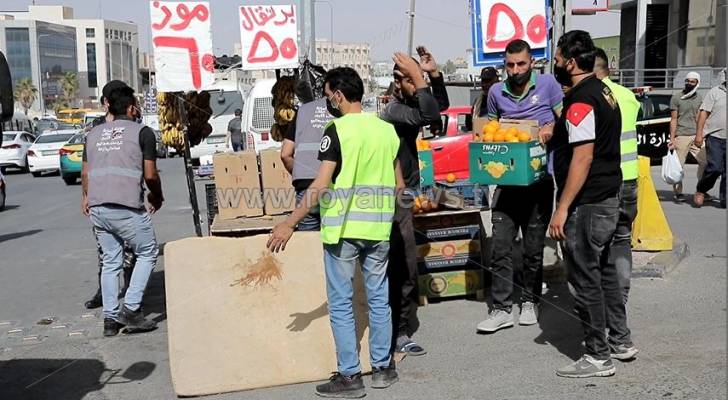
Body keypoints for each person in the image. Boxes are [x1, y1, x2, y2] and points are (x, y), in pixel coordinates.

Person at [267, 67, 403, 398]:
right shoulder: (387, 130)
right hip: (379, 229)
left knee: (341, 302)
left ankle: (350, 376)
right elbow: (400, 186)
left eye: (328, 95)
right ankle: (383, 369)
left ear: (338, 95)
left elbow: (319, 185)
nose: (327, 101)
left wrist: (289, 222)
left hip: (343, 231)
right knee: (379, 298)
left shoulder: (336, 130)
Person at [549, 30, 634, 378]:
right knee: (606, 273)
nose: (554, 65)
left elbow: (582, 158)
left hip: (589, 203)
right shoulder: (604, 90)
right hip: (608, 196)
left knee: (585, 278)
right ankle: (620, 340)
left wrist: (562, 207)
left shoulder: (582, 100)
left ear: (570, 62)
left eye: (556, 59)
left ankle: (598, 356)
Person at [475, 39, 562, 334]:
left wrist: (552, 128)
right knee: (500, 246)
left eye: (521, 64)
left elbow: (566, 123)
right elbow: (493, 131)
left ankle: (529, 300)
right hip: (507, 183)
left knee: (533, 247)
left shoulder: (549, 85)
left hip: (539, 181)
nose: (515, 70)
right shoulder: (496, 92)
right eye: (510, 65)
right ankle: (500, 309)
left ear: (532, 62)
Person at [379, 46, 449, 357]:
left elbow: (439, 106)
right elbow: (429, 114)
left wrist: (432, 75)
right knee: (401, 264)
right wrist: (420, 77)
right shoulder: (393, 110)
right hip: (393, 196)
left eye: (406, 79)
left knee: (406, 262)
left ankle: (400, 329)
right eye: (402, 79)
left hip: (406, 193)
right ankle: (398, 331)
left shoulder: (409, 101)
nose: (401, 84)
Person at [81, 85, 164, 337]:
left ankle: (110, 319)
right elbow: (150, 174)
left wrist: (87, 198)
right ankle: (131, 308)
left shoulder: (93, 134)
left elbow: (85, 173)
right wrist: (157, 196)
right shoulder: (143, 132)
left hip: (97, 207)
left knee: (110, 261)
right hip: (126, 206)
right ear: (131, 108)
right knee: (148, 251)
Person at [593, 48, 641, 361]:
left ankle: (605, 322)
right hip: (631, 180)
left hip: (606, 183)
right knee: (622, 240)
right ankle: (619, 301)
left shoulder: (596, 98)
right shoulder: (628, 96)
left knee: (596, 251)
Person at [84, 80, 137, 310]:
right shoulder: (95, 128)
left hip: (127, 197)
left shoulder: (131, 122)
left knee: (131, 250)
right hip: (101, 198)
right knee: (105, 251)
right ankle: (106, 294)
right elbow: (87, 165)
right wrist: (85, 195)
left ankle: (133, 293)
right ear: (106, 102)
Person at [280, 84, 334, 231]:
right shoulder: (344, 111)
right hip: (334, 187)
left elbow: (285, 154)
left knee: (308, 245)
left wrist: (301, 171)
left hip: (305, 187)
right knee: (336, 242)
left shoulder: (303, 111)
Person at [669, 71, 706, 200]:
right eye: (687, 81)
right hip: (681, 136)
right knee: (678, 167)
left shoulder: (700, 98)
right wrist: (672, 139)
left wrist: (702, 134)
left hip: (697, 136)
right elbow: (673, 119)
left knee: (705, 163)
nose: (689, 83)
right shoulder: (676, 97)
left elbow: (701, 117)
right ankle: (678, 192)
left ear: (697, 83)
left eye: (692, 81)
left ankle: (701, 190)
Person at [693, 69, 726, 208]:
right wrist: (699, 134)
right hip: (715, 137)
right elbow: (703, 114)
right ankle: (701, 189)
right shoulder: (715, 92)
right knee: (715, 168)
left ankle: (724, 199)